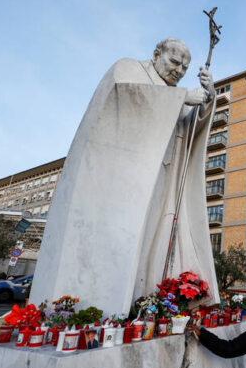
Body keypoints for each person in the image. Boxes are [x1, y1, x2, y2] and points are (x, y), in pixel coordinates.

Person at [29, 38, 220, 315]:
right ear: (156, 54)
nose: (179, 71)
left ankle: (146, 303)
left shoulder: (173, 93)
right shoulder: (129, 70)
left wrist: (206, 101)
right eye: (174, 62)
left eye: (185, 67)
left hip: (162, 179)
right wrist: (180, 98)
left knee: (154, 245)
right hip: (126, 185)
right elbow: (123, 101)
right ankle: (113, 308)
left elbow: (189, 128)